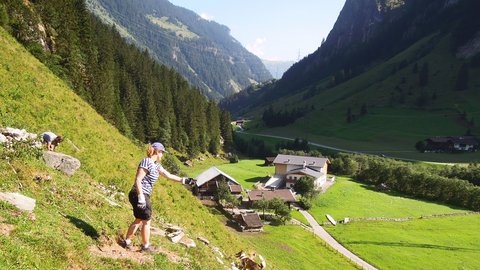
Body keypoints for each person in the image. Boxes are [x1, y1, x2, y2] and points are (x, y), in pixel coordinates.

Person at [121, 142, 194, 252]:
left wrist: (183, 180)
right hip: (139, 193)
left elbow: (168, 175)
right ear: (157, 151)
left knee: (139, 219)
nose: (162, 155)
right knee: (146, 221)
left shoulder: (156, 165)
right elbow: (138, 179)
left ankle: (127, 242)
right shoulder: (147, 161)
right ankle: (145, 247)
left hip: (142, 194)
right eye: (162, 153)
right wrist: (141, 197)